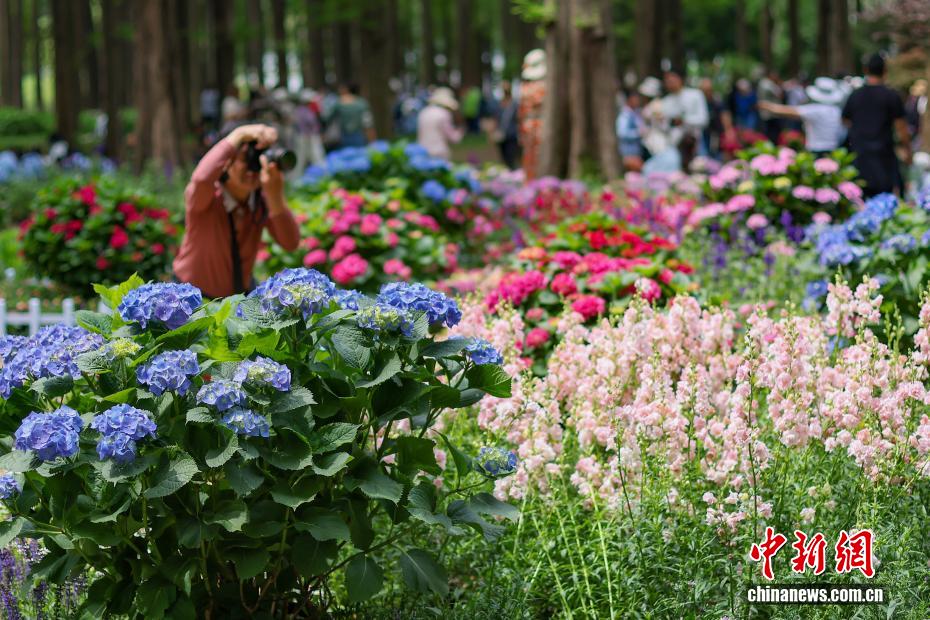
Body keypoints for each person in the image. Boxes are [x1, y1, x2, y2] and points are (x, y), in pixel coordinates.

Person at [173, 124, 300, 299]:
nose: (252, 167)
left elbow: (290, 242)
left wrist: (275, 197)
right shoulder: (208, 196)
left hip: (239, 298)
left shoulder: (261, 201)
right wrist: (238, 134)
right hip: (191, 297)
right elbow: (201, 179)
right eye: (245, 157)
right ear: (225, 163)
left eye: (258, 158)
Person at [842, 54, 912, 196]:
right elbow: (901, 127)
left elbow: (845, 120)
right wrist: (907, 151)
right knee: (884, 200)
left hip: (859, 154)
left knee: (859, 199)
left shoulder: (855, 95)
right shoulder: (891, 96)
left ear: (865, 70)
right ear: (885, 71)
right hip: (883, 157)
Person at [758, 77, 845, 156]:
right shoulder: (836, 110)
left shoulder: (815, 109)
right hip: (834, 149)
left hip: (817, 150)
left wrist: (766, 105)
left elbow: (788, 111)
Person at [662, 69, 709, 167]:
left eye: (672, 80)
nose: (670, 83)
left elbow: (703, 119)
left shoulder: (695, 94)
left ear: (680, 79)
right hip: (674, 146)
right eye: (667, 81)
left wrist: (684, 121)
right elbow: (665, 127)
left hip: (696, 143)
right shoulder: (665, 101)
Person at [519, 49, 547, 180]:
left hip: (527, 125)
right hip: (538, 125)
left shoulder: (524, 88)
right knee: (536, 155)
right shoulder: (543, 87)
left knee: (531, 155)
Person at [417, 87, 465, 160]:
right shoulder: (444, 114)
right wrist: (460, 132)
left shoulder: (423, 112)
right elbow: (453, 137)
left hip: (422, 151)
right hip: (439, 152)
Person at [326, 83, 375, 148]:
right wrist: (372, 140)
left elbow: (328, 119)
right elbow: (368, 123)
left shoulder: (338, 103)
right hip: (359, 136)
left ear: (346, 90)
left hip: (343, 136)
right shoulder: (362, 103)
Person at [293, 89, 325, 175]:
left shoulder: (305, 110)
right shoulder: (303, 110)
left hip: (308, 136)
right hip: (306, 137)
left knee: (315, 157)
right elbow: (309, 122)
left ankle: (319, 175)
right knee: (303, 157)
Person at [492, 81, 520, 170]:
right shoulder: (499, 104)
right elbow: (496, 118)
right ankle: (507, 173)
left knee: (511, 156)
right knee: (503, 157)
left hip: (512, 134)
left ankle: (512, 172)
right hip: (501, 134)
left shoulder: (514, 104)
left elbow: (518, 119)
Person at [616, 90, 645, 170]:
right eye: (635, 99)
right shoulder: (625, 115)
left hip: (637, 150)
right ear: (629, 99)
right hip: (629, 151)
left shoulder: (636, 112)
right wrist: (638, 133)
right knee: (634, 173)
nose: (637, 101)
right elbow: (621, 133)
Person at [699, 78, 725, 159]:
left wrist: (728, 130)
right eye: (704, 90)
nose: (707, 92)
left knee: (716, 154)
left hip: (716, 133)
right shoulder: (698, 103)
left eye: (709, 90)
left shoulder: (717, 101)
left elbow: (724, 114)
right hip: (703, 134)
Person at [758, 69, 784, 143]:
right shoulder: (767, 83)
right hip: (770, 114)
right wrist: (779, 85)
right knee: (771, 134)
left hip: (771, 113)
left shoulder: (767, 83)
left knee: (772, 133)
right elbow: (779, 94)